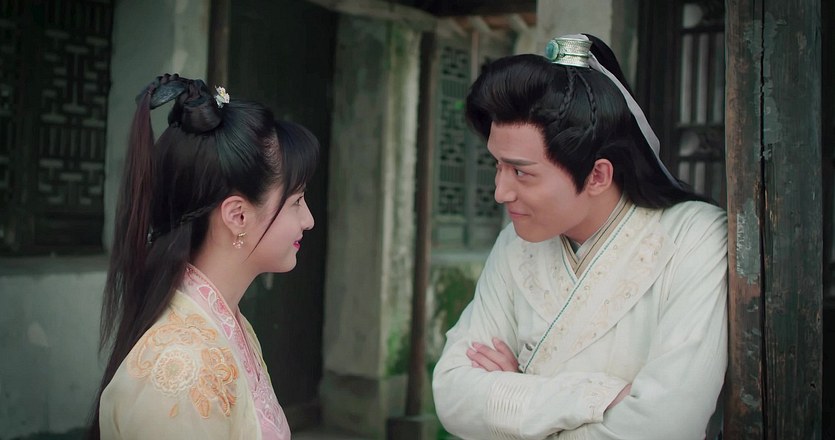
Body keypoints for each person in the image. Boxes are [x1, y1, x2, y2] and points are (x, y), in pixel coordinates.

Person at [432, 34, 727, 440]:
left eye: (521, 172)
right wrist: (595, 398)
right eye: (497, 166)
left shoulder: (694, 238)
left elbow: (666, 426)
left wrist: (513, 396)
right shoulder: (514, 244)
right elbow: (452, 394)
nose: (501, 192)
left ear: (597, 175)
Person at [87, 74, 318, 439]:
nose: (308, 220)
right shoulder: (181, 370)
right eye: (297, 201)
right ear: (237, 215)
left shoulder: (229, 325)